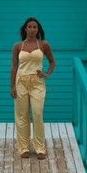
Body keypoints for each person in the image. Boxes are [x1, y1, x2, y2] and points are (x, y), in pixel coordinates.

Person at [10, 17, 55, 160]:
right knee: (22, 115)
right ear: (25, 29)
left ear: (38, 29)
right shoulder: (17, 46)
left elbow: (52, 62)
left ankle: (40, 148)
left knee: (37, 113)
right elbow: (14, 67)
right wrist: (12, 86)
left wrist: (47, 73)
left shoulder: (43, 44)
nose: (32, 29)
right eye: (29, 27)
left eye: (35, 27)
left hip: (37, 82)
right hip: (21, 81)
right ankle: (24, 148)